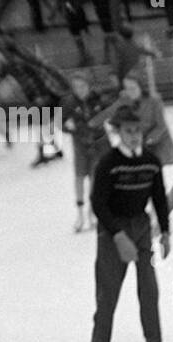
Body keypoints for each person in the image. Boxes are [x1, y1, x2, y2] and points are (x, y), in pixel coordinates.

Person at [89, 105, 170, 342]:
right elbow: (98, 203)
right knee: (109, 287)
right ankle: (99, 341)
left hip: (141, 226)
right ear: (118, 133)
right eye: (128, 131)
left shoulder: (151, 161)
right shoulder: (109, 163)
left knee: (149, 286)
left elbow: (158, 198)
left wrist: (165, 231)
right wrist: (117, 235)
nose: (134, 136)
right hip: (113, 228)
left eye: (137, 131)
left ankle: (154, 339)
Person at [63, 72, 110, 233]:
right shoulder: (69, 102)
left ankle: (92, 213)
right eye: (76, 87)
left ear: (89, 86)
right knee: (79, 176)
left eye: (82, 86)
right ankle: (80, 213)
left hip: (97, 143)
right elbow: (60, 121)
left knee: (95, 178)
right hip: (80, 144)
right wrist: (70, 129)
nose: (80, 90)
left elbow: (110, 113)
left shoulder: (98, 99)